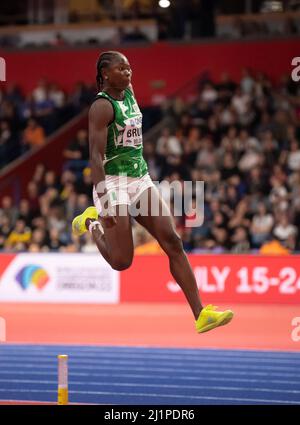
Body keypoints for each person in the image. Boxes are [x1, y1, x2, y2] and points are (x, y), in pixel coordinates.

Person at [72, 51, 234, 333]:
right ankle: (92, 221)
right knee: (122, 262)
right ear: (105, 74)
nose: (128, 73)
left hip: (140, 178)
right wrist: (106, 201)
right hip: (113, 184)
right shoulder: (102, 107)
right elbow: (95, 158)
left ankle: (200, 313)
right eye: (121, 69)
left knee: (172, 240)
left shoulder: (130, 92)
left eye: (129, 68)